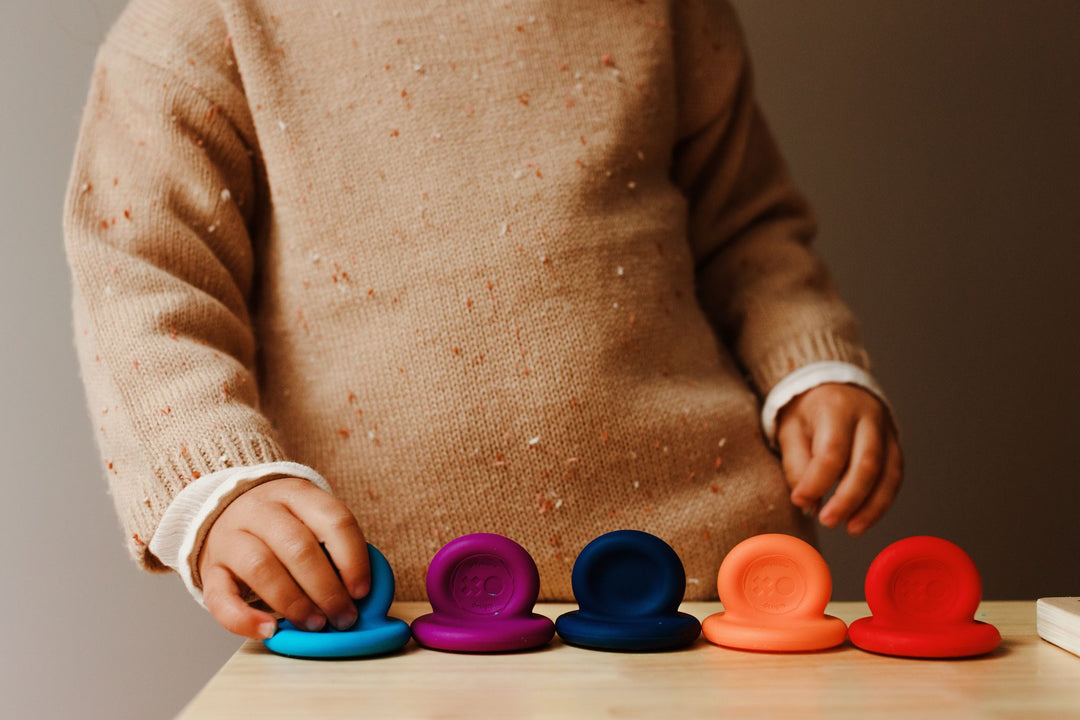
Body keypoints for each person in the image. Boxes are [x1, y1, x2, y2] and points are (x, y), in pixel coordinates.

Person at [63, 0, 901, 640]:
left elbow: (744, 226)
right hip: (380, 598)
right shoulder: (206, 19)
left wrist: (809, 365)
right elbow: (142, 273)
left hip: (708, 572)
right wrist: (218, 481)